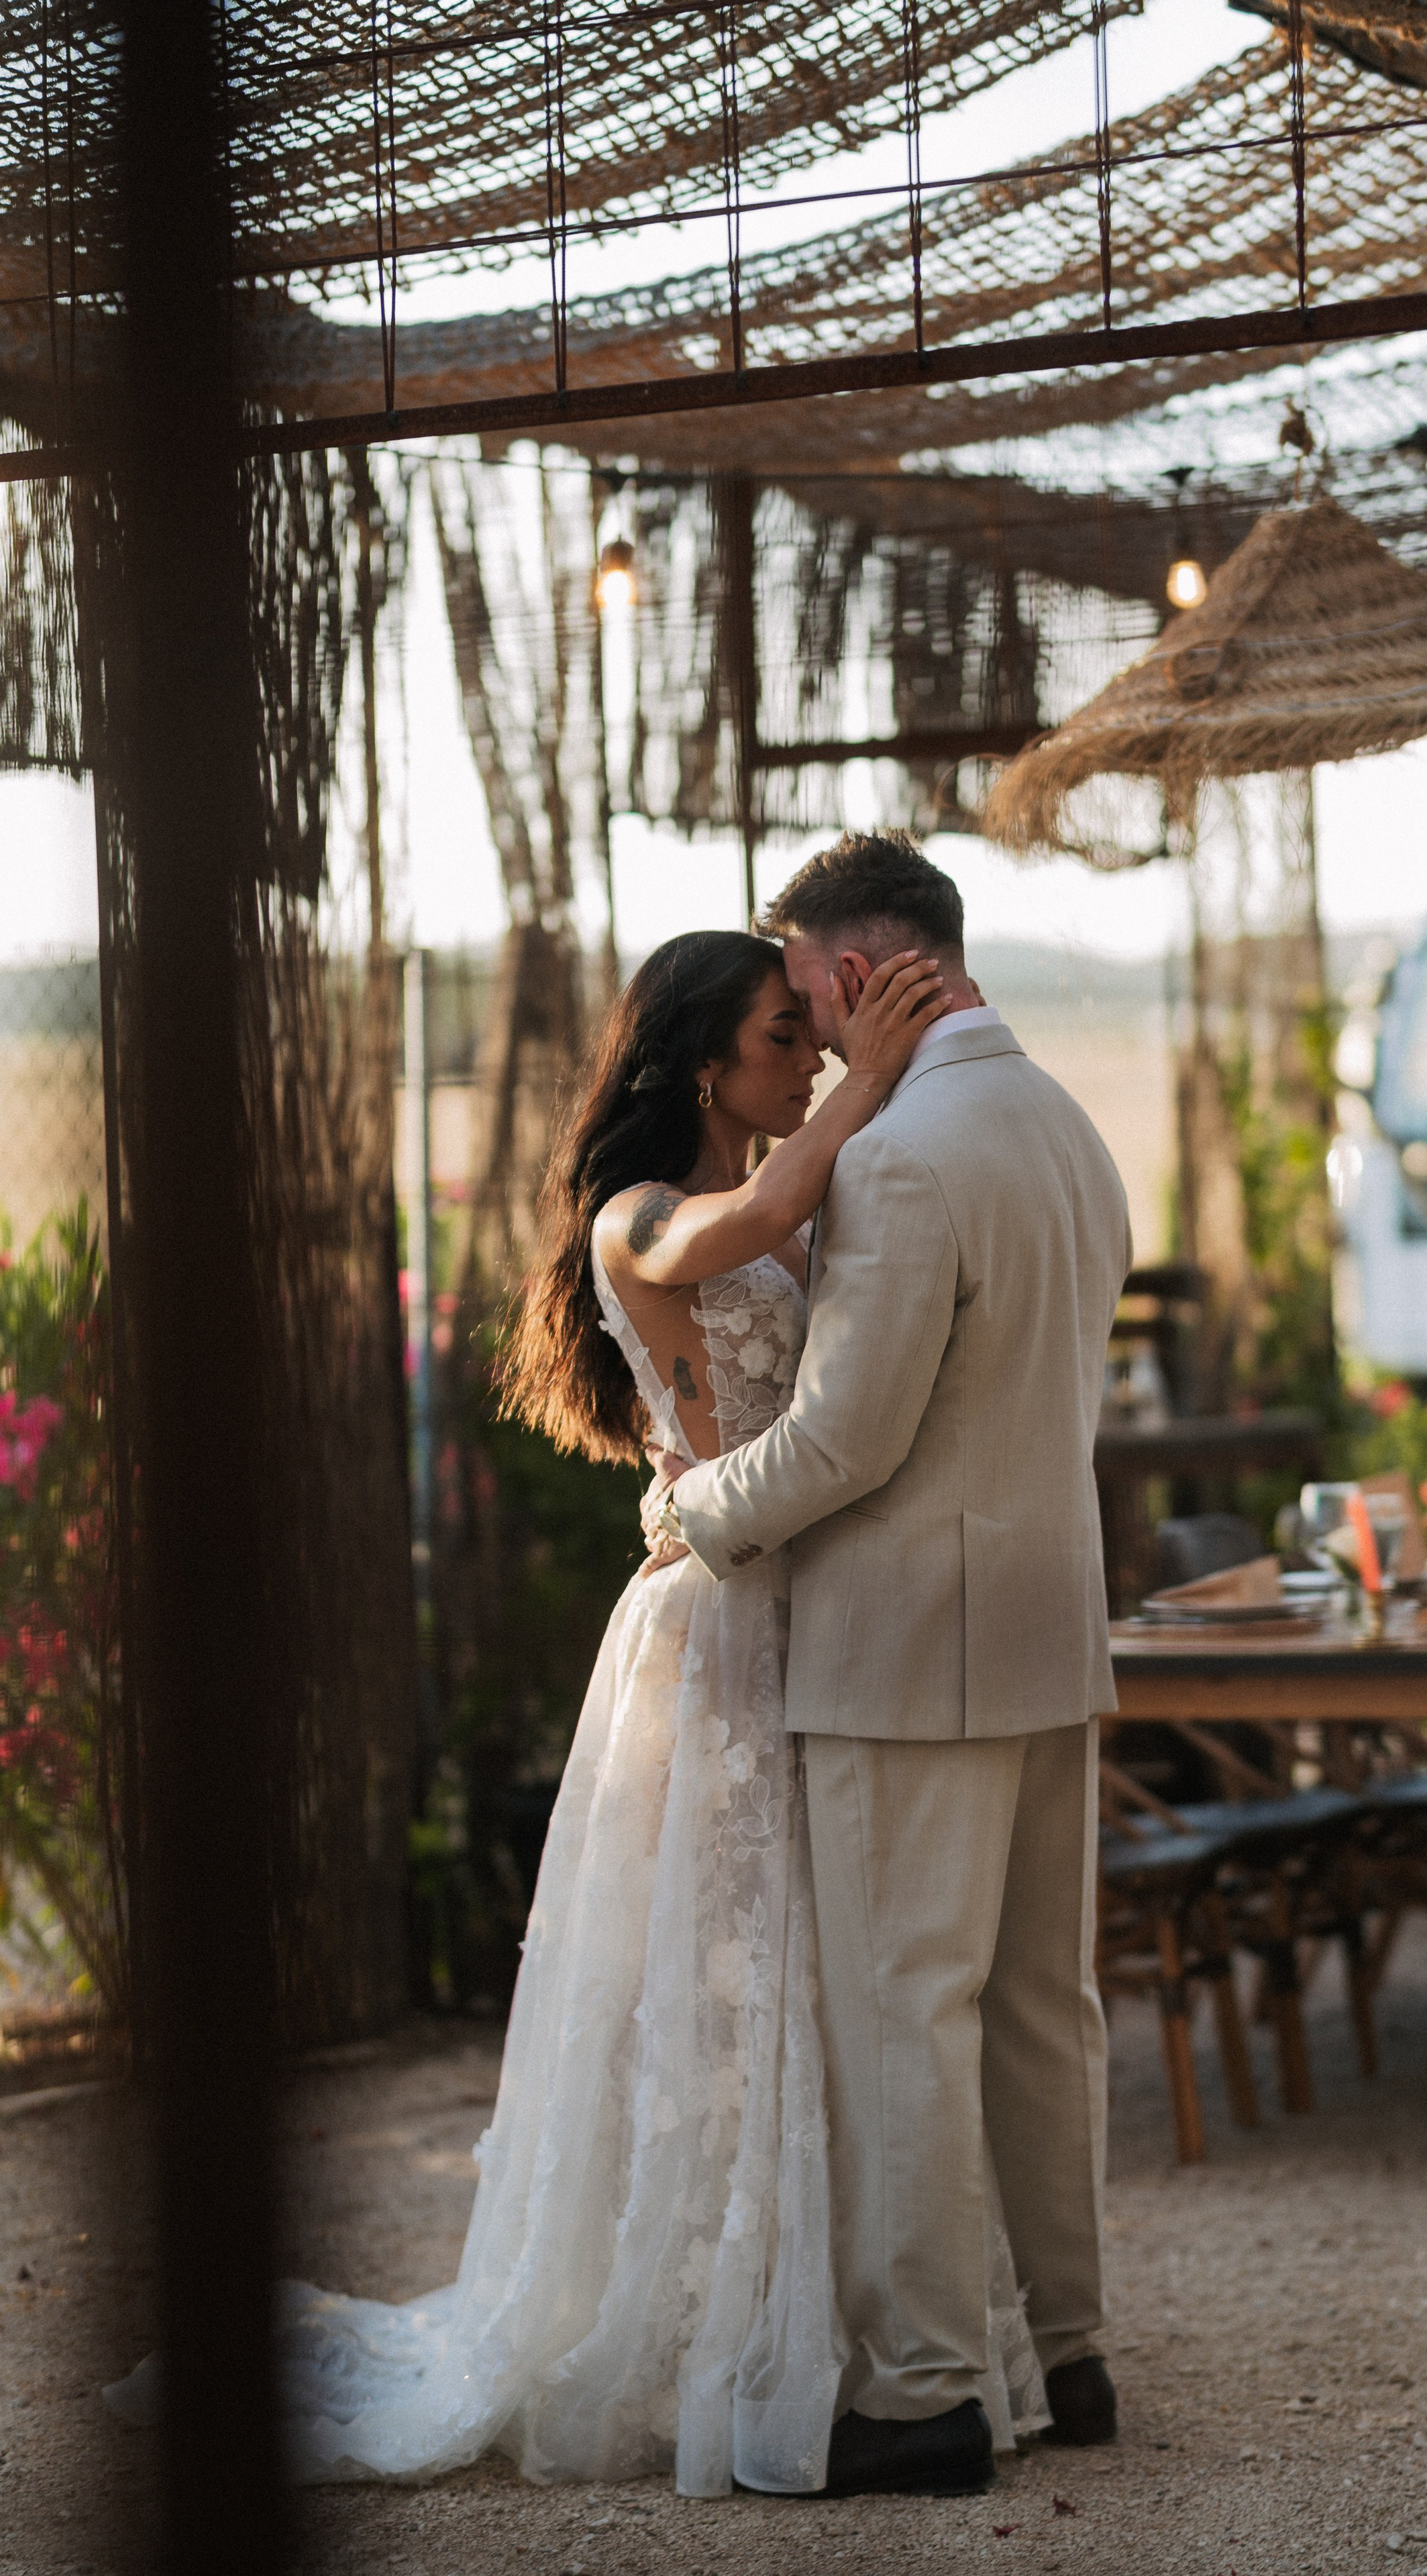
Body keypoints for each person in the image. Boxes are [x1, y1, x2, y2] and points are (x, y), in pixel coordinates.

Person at [106, 916, 1045, 2498]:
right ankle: (705, 2328)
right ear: (699, 1064)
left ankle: (861, 2328)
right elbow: (752, 1222)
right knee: (730, 1962)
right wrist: (873, 1078)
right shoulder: (642, 1218)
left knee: (834, 1972)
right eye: (780, 1035)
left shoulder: (810, 1187)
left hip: (821, 1605)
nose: (809, 1054)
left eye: (811, 1036)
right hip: (719, 1622)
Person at [646, 832, 1132, 2498]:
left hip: (907, 1648)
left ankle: (924, 2393)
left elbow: (844, 1441)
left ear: (854, 973)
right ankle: (1067, 2354)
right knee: (1043, 2010)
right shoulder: (1067, 1127)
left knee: (902, 2011)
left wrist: (694, 1511)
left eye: (803, 996)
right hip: (1054, 1628)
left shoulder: (904, 1157)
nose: (803, 1028)